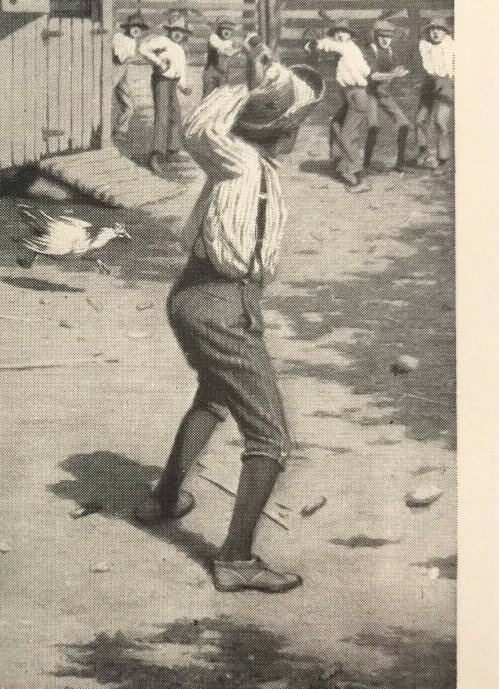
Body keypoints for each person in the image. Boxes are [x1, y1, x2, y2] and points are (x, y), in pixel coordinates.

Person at [134, 40, 324, 593]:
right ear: (278, 131)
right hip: (217, 302)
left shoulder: (253, 164)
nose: (297, 136)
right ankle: (236, 560)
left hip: (204, 296)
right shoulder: (238, 158)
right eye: (295, 126)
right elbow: (200, 129)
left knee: (214, 396)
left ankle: (165, 497)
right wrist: (251, 82)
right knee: (271, 438)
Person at [306, 19, 371, 192]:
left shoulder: (348, 48)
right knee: (335, 124)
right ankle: (340, 165)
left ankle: (360, 178)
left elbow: (332, 46)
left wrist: (315, 44)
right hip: (350, 96)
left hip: (357, 97)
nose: (340, 35)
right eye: (337, 33)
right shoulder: (347, 52)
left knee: (347, 136)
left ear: (350, 36)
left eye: (344, 32)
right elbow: (364, 70)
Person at [139, 9, 193, 175]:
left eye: (180, 32)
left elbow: (181, 72)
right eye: (175, 31)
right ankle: (155, 154)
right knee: (162, 115)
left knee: (175, 114)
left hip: (172, 84)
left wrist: (184, 86)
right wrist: (158, 62)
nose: (177, 34)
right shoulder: (163, 41)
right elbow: (142, 48)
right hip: (161, 81)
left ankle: (172, 150)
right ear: (169, 31)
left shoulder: (181, 50)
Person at [364, 18, 412, 173]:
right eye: (381, 36)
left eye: (389, 36)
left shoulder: (390, 51)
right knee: (373, 127)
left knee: (404, 124)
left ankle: (399, 163)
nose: (385, 40)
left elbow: (394, 68)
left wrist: (399, 70)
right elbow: (373, 76)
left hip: (383, 94)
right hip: (369, 93)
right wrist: (393, 74)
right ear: (376, 36)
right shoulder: (370, 50)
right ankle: (365, 163)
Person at [416, 17, 454, 174]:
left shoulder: (452, 46)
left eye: (439, 29)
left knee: (440, 122)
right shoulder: (424, 45)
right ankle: (423, 151)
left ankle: (444, 160)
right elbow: (425, 67)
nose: (435, 32)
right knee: (420, 119)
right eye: (432, 29)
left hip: (446, 83)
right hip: (430, 83)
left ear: (445, 32)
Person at [112, 12, 150, 140]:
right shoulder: (118, 37)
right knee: (104, 102)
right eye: (134, 26)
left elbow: (128, 60)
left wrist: (142, 58)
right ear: (128, 27)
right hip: (112, 72)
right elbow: (122, 59)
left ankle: (120, 132)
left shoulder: (133, 41)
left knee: (128, 105)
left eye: (139, 28)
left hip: (122, 74)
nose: (136, 29)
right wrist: (138, 57)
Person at [202, 18, 239, 97]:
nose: (227, 32)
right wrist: (234, 49)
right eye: (224, 29)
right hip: (212, 72)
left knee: (221, 97)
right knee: (209, 96)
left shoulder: (230, 42)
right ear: (219, 29)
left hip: (224, 73)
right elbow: (222, 50)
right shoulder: (214, 38)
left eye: (229, 29)